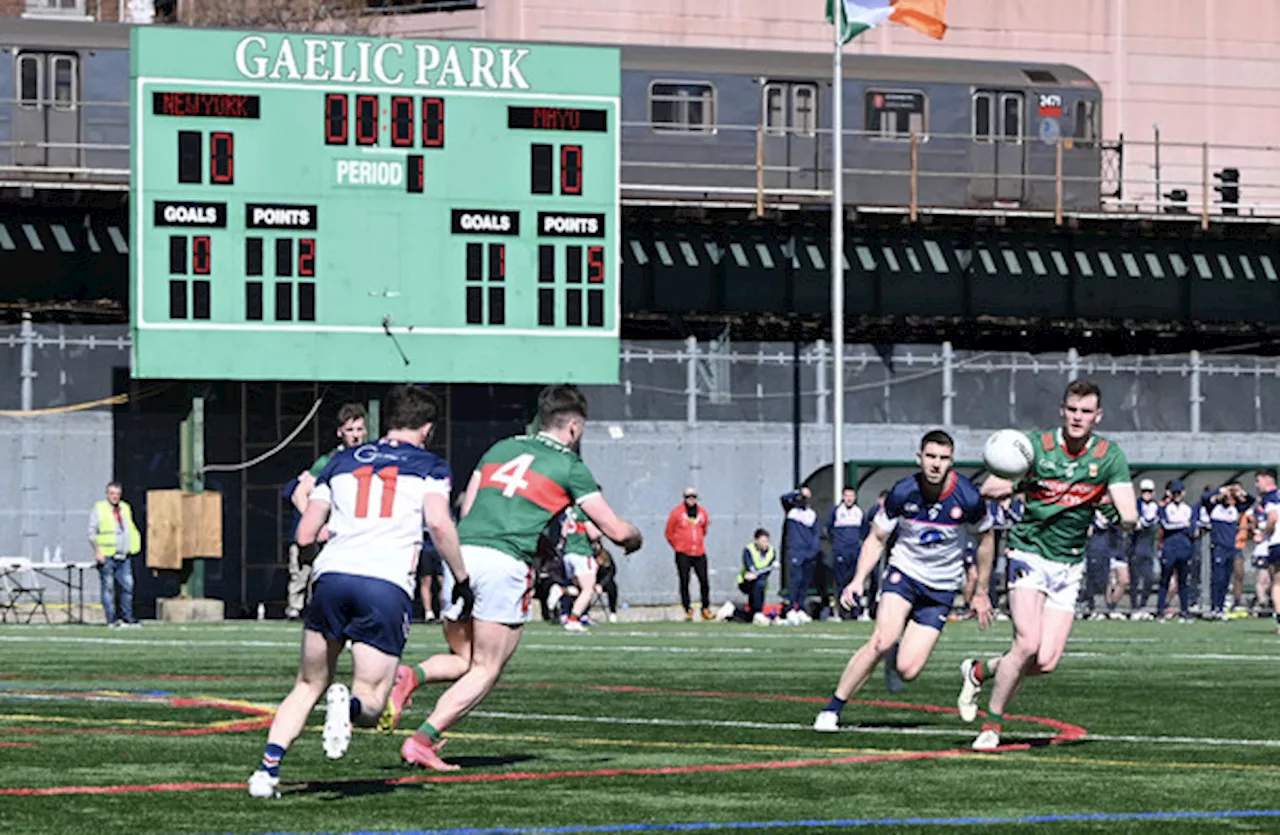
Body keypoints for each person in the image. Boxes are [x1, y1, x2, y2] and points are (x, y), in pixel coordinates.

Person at [383, 385, 643, 770]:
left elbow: (468, 506)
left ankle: (410, 676)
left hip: (463, 554)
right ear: (573, 427)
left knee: (465, 657)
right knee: (488, 667)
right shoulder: (571, 467)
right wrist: (636, 538)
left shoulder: (501, 448)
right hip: (504, 563)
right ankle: (423, 739)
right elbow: (616, 531)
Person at [248, 385, 469, 799]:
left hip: (333, 577)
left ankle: (266, 772)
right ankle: (345, 707)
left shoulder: (340, 462)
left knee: (306, 684)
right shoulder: (430, 465)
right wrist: (462, 577)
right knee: (370, 702)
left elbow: (305, 533)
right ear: (427, 428)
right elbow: (439, 524)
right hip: (383, 583)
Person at [957, 379, 1136, 751]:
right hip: (1029, 554)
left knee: (1046, 661)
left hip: (1069, 565)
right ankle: (992, 726)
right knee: (1026, 644)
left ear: (1097, 416)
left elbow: (1130, 516)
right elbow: (988, 488)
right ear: (1062, 410)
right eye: (1072, 409)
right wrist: (1026, 484)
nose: (1078, 417)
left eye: (1086, 412)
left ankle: (979, 670)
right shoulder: (1035, 447)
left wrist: (1107, 506)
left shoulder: (1108, 456)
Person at [813, 430, 994, 731]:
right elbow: (876, 538)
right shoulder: (902, 492)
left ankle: (895, 657)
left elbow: (986, 541)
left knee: (908, 670)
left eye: (944, 458)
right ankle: (832, 709)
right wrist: (858, 580)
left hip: (941, 588)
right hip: (904, 575)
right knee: (881, 640)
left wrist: (981, 591)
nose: (936, 464)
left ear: (952, 461)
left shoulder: (969, 497)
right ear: (919, 458)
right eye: (931, 457)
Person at [286, 403, 368, 619]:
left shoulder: (371, 457)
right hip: (327, 529)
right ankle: (296, 610)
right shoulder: (329, 461)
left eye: (359, 429)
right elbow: (299, 493)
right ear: (340, 432)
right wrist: (316, 524)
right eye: (350, 430)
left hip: (354, 531)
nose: (356, 435)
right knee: (304, 571)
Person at [88, 481, 143, 628]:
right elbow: (92, 533)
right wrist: (98, 552)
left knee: (128, 586)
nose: (115, 497)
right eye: (112, 494)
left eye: (117, 494)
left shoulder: (125, 508)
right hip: (107, 555)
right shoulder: (99, 508)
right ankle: (111, 619)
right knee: (108, 587)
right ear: (107, 494)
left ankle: (127, 617)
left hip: (123, 554)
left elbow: (128, 529)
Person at [1202, 482, 1252, 620]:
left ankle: (1221, 607)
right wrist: (1220, 490)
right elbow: (1205, 499)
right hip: (1218, 547)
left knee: (1225, 579)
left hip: (1231, 548)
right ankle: (1215, 607)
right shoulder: (1214, 509)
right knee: (1217, 578)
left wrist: (1239, 492)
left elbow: (1250, 501)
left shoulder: (1235, 509)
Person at [664, 488, 711, 621]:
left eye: (693, 497)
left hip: (699, 552)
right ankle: (687, 608)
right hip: (683, 553)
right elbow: (669, 532)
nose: (691, 499)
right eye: (688, 497)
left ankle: (705, 608)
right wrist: (678, 546)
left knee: (704, 581)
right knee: (684, 580)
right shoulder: (677, 513)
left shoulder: (702, 513)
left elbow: (704, 529)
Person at [1156, 479, 1196, 622]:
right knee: (1165, 580)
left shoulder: (1188, 509)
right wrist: (1181, 525)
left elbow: (1191, 527)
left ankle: (1184, 610)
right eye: (1175, 493)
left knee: (1183, 581)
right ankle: (1160, 610)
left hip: (1184, 548)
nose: (1177, 495)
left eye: (1179, 493)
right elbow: (1166, 525)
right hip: (1170, 548)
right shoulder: (1165, 508)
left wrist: (1182, 526)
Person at [781, 485, 820, 624]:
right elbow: (783, 498)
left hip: (808, 553)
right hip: (795, 551)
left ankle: (801, 608)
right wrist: (798, 493)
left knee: (805, 581)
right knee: (795, 580)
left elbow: (816, 534)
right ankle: (791, 608)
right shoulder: (792, 511)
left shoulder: (811, 514)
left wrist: (813, 551)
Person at [559, 506, 603, 631]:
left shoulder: (568, 512)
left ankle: (562, 591)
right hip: (582, 553)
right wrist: (602, 532)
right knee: (588, 590)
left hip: (568, 553)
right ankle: (573, 619)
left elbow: (563, 533)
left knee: (580, 589)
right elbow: (593, 534)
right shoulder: (586, 510)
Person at [826, 487, 864, 620]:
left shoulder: (858, 512)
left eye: (851, 496)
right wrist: (838, 545)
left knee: (855, 580)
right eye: (847, 496)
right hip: (841, 551)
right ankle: (842, 612)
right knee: (841, 581)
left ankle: (856, 611)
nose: (849, 499)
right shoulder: (837, 511)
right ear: (843, 497)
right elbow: (829, 529)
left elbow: (863, 531)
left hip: (854, 551)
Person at [1127, 479, 1160, 620]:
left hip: (1149, 546)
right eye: (1145, 491)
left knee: (1149, 578)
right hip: (1137, 546)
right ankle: (1135, 607)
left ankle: (1143, 605)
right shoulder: (1136, 505)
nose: (1147, 494)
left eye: (1149, 491)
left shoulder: (1156, 506)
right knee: (1135, 579)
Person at [1255, 467, 1280, 632]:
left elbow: (1273, 517)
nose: (1257, 485)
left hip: (1278, 542)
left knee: (1277, 583)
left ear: (1266, 479)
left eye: (1258, 481)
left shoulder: (1270, 497)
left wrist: (1263, 535)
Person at [594, 542, 620, 624]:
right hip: (589, 581)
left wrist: (601, 584)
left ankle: (613, 612)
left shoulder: (606, 555)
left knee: (612, 586)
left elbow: (611, 571)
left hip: (603, 582)